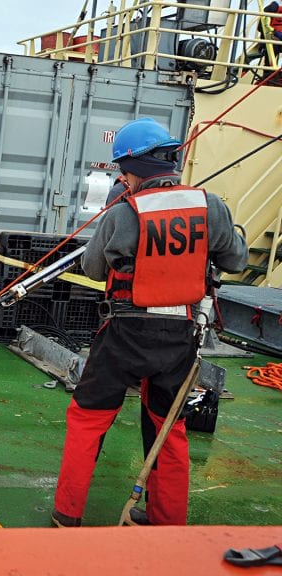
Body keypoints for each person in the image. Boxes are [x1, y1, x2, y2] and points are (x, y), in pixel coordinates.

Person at [51, 118, 248, 527]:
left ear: (132, 170)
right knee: (168, 427)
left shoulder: (124, 211)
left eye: (122, 172)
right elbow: (236, 261)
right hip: (180, 335)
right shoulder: (210, 206)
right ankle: (167, 522)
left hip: (124, 331)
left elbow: (91, 268)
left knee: (88, 419)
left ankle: (66, 517)